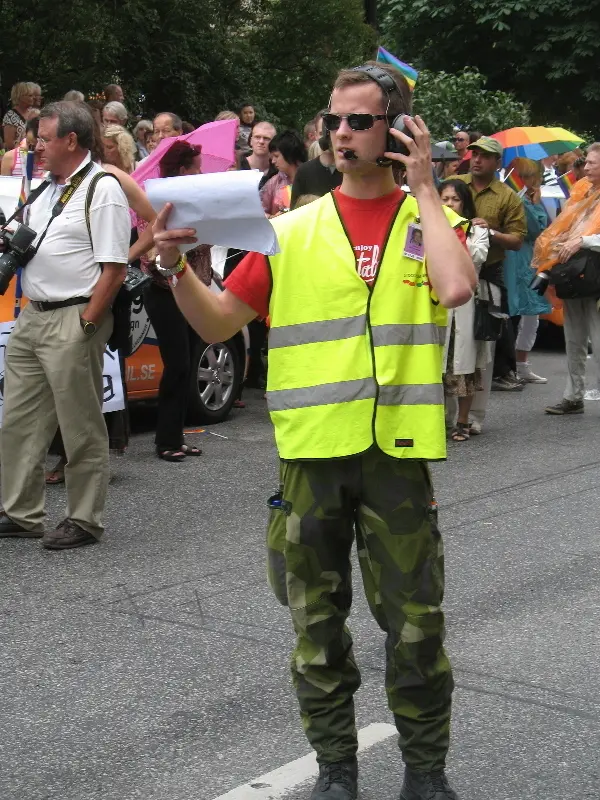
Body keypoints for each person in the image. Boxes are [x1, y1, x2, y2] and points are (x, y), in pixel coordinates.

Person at [153, 60, 475, 800]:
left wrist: (426, 188)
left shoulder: (434, 223)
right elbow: (218, 324)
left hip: (396, 457)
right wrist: (175, 270)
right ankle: (336, 768)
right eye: (333, 119)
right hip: (311, 458)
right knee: (316, 628)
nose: (340, 132)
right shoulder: (289, 232)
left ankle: (426, 773)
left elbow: (456, 287)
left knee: (417, 627)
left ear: (397, 130)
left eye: (360, 120)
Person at [0, 101, 130, 549]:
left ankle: (84, 519)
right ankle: (21, 512)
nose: (35, 148)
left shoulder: (102, 188)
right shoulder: (44, 189)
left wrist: (87, 324)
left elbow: (114, 269)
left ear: (71, 140)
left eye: (44, 140)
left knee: (80, 426)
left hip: (72, 316)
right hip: (33, 316)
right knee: (19, 421)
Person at [455, 136, 526, 429]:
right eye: (474, 154)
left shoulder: (507, 196)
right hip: (450, 275)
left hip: (487, 277)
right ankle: (446, 414)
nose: (477, 160)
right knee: (448, 347)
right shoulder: (454, 185)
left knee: (482, 348)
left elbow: (517, 240)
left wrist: (490, 232)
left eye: (485, 156)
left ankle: (474, 417)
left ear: (497, 162)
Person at [143, 141, 209, 460]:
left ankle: (176, 436)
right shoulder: (162, 204)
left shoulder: (197, 202)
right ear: (183, 170)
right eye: (197, 167)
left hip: (194, 290)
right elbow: (149, 253)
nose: (202, 172)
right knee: (178, 363)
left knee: (188, 363)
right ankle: (166, 440)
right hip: (164, 291)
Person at [532, 143, 600, 414]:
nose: (586, 166)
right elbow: (564, 226)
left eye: (593, 162)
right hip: (575, 273)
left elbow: (583, 236)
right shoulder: (583, 191)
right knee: (573, 339)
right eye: (587, 161)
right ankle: (573, 397)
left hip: (596, 277)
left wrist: (583, 241)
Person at [438, 179, 490, 441]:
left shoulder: (476, 230)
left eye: (455, 199)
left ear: (464, 203)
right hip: (437, 306)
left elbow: (478, 256)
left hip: (466, 308)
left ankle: (463, 421)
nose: (449, 204)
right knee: (437, 367)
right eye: (445, 199)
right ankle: (440, 420)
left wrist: (456, 232)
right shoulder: (427, 228)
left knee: (464, 367)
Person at [502, 158, 551, 384]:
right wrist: (535, 205)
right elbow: (537, 229)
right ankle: (516, 366)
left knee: (525, 316)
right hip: (520, 260)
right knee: (525, 315)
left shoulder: (516, 197)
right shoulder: (519, 200)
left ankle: (518, 366)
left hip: (522, 260)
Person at [291, 110, 342, 205]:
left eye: (330, 133)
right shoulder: (304, 171)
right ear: (315, 135)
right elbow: (295, 209)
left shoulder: (349, 170)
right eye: (322, 133)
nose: (327, 139)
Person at [260, 130, 307, 216]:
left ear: (289, 154)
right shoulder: (273, 183)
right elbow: (259, 211)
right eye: (272, 157)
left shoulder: (311, 177)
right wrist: (272, 217)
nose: (273, 161)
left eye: (276, 156)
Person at [239, 121, 278, 188]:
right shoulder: (238, 166)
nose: (261, 141)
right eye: (257, 137)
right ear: (251, 141)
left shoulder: (279, 170)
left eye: (266, 138)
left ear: (273, 143)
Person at [2, 82, 36, 150]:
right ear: (20, 97)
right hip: (19, 154)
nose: (34, 98)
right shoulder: (10, 116)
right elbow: (9, 145)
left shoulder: (34, 113)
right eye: (30, 95)